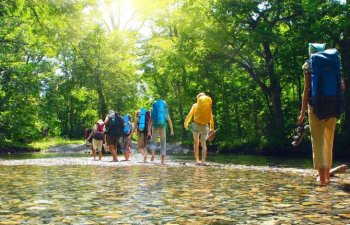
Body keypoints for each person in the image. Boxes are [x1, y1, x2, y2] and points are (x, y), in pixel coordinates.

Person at [298, 43, 344, 185]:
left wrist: (302, 113)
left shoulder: (308, 65)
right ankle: (328, 178)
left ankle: (322, 179)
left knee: (317, 141)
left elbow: (306, 90)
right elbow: (342, 86)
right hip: (333, 106)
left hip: (316, 107)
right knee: (328, 141)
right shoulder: (334, 62)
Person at [184, 92, 214, 165]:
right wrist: (212, 128)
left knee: (196, 143)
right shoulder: (208, 106)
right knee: (203, 144)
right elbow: (211, 119)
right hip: (205, 126)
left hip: (196, 125)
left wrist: (186, 123)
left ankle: (197, 160)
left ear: (198, 99)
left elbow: (190, 114)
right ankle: (203, 161)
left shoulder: (195, 105)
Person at [149, 99, 174, 165]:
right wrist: (172, 130)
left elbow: (150, 121)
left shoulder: (153, 110)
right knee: (163, 143)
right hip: (163, 127)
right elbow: (169, 121)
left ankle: (153, 155)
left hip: (155, 127)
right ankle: (162, 161)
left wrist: (149, 130)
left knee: (153, 142)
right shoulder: (164, 111)